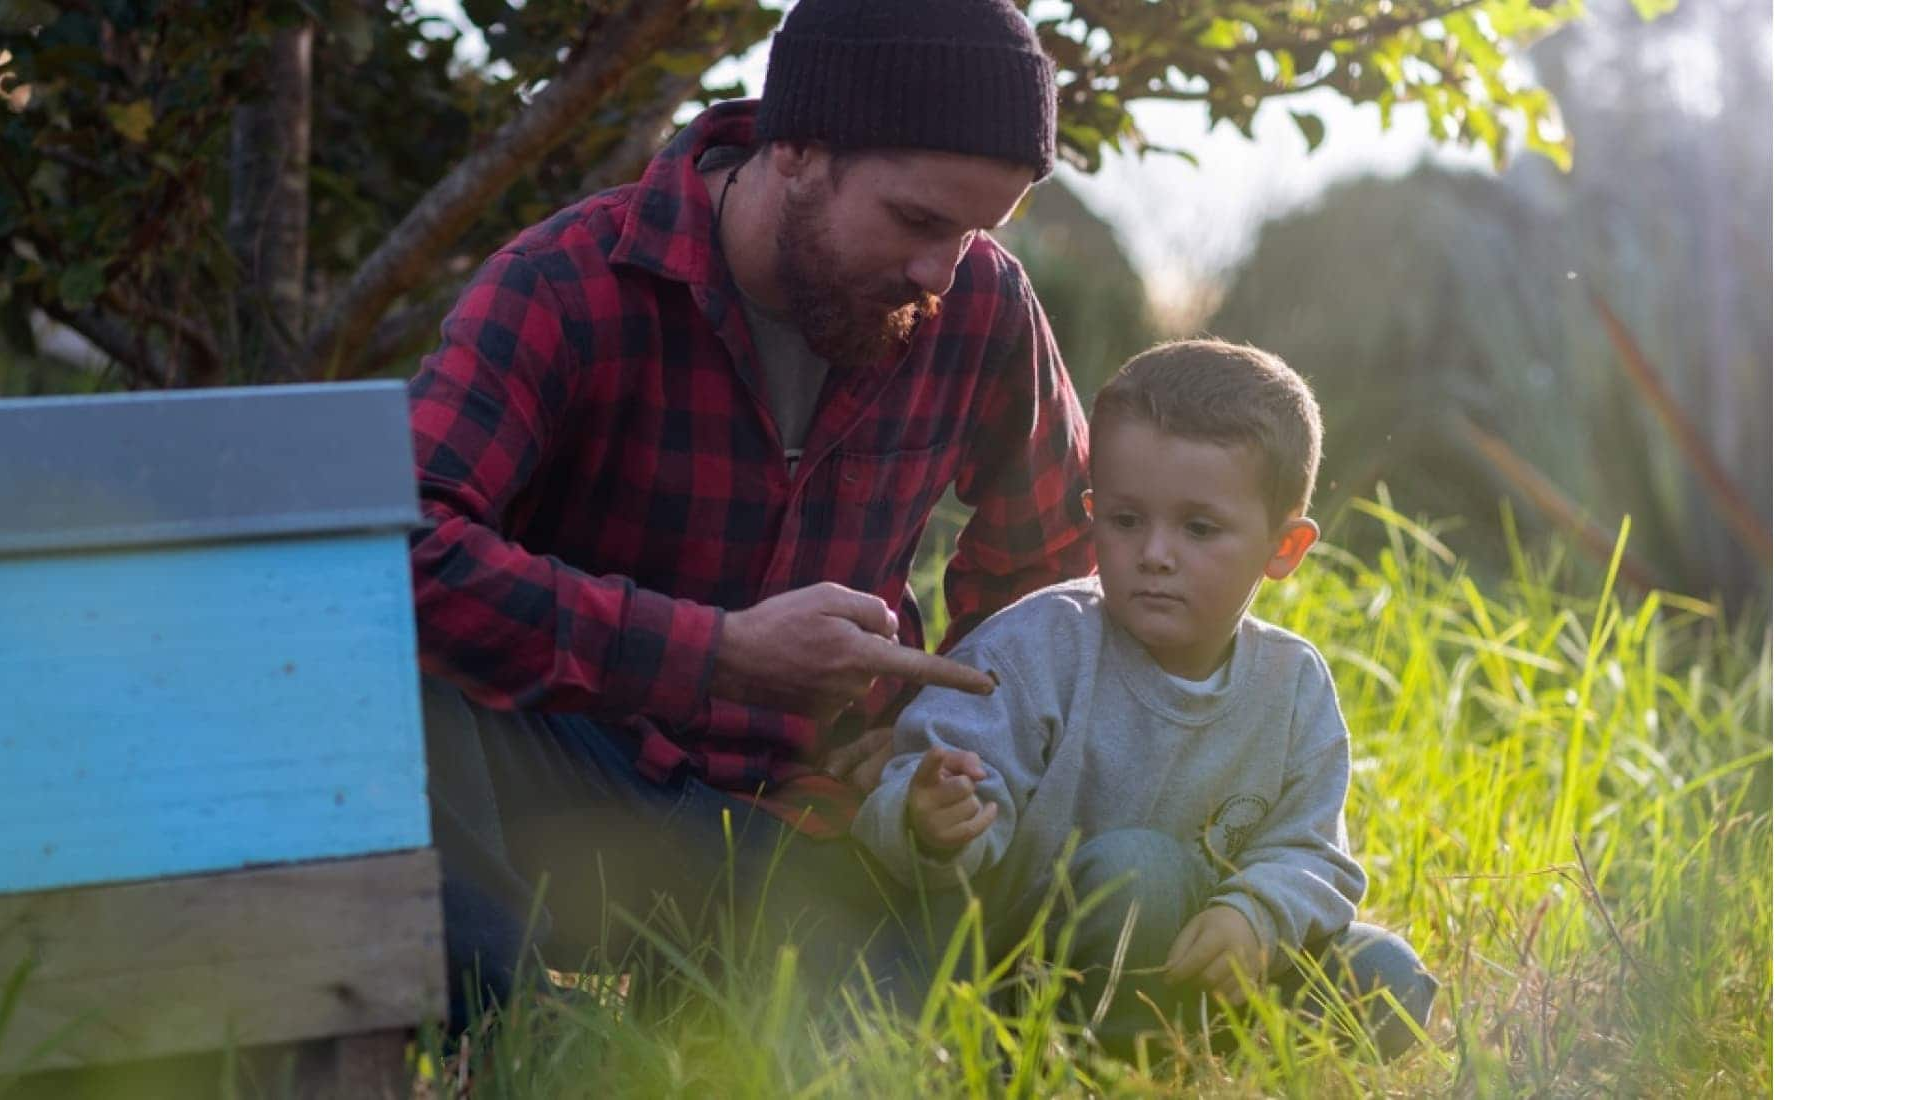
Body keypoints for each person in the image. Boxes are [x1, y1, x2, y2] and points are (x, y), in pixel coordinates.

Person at [405, 0, 1094, 1030]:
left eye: (972, 233)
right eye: (915, 221)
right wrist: (716, 651)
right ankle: (513, 1028)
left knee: (885, 1039)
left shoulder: (980, 304)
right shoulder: (568, 284)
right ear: (797, 148)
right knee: (403, 688)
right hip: (569, 800)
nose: (939, 271)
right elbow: (405, 552)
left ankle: (676, 1005)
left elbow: (1052, 564)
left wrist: (931, 734)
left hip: (812, 831)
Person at [853, 339, 1439, 1058]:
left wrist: (1256, 916)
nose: (1155, 553)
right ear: (1094, 513)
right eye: (1127, 520)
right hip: (1034, 976)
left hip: (1215, 968)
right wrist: (934, 820)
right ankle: (1106, 1067)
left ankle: (1207, 1050)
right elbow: (921, 795)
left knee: (1390, 978)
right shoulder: (1036, 647)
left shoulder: (1291, 685)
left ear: (1283, 549)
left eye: (1198, 528)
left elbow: (1315, 854)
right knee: (1141, 872)